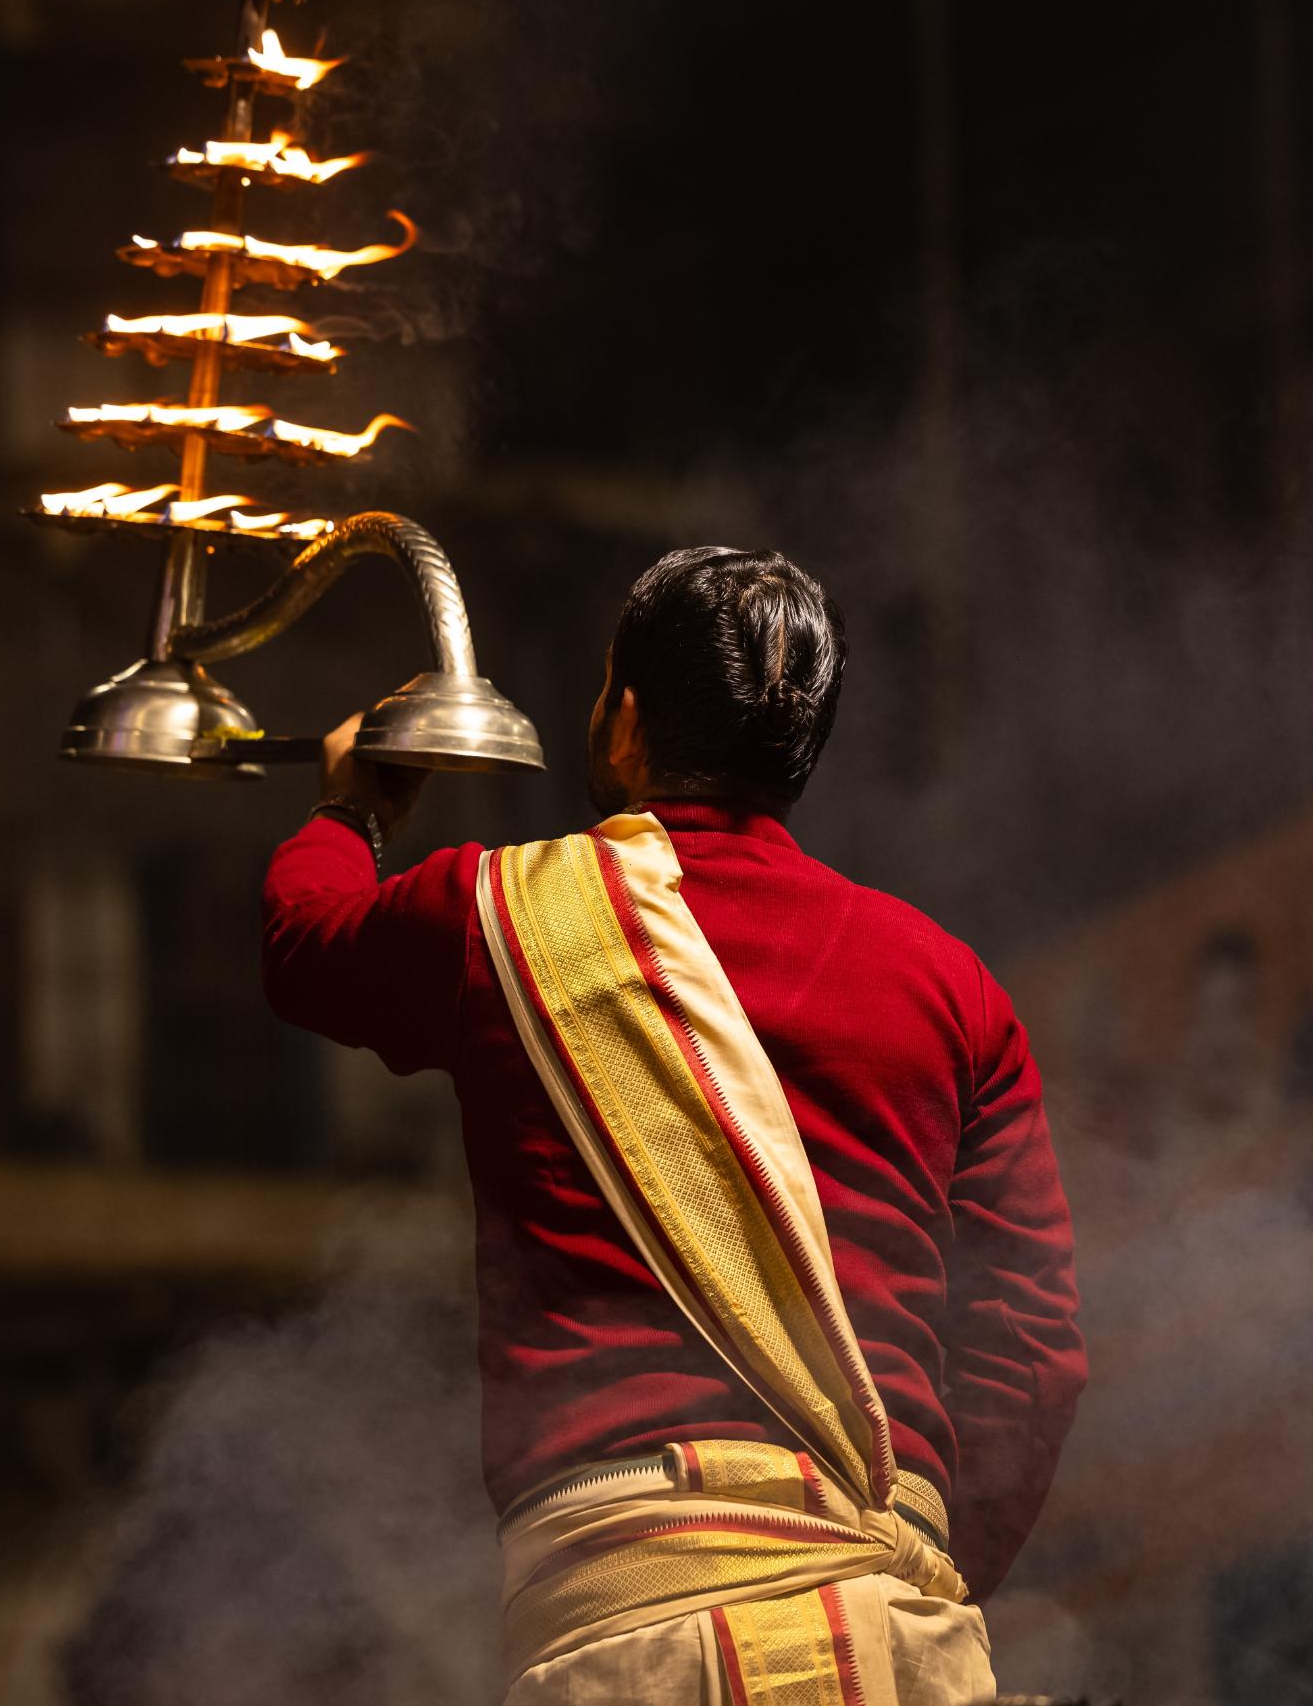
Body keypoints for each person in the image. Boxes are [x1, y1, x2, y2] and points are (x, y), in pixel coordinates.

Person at [262, 547, 1086, 1705]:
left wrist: (353, 806)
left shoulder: (500, 917)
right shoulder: (954, 987)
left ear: (626, 721)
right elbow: (1033, 1348)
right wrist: (905, 1557)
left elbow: (303, 943)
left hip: (620, 1639)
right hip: (894, 1642)